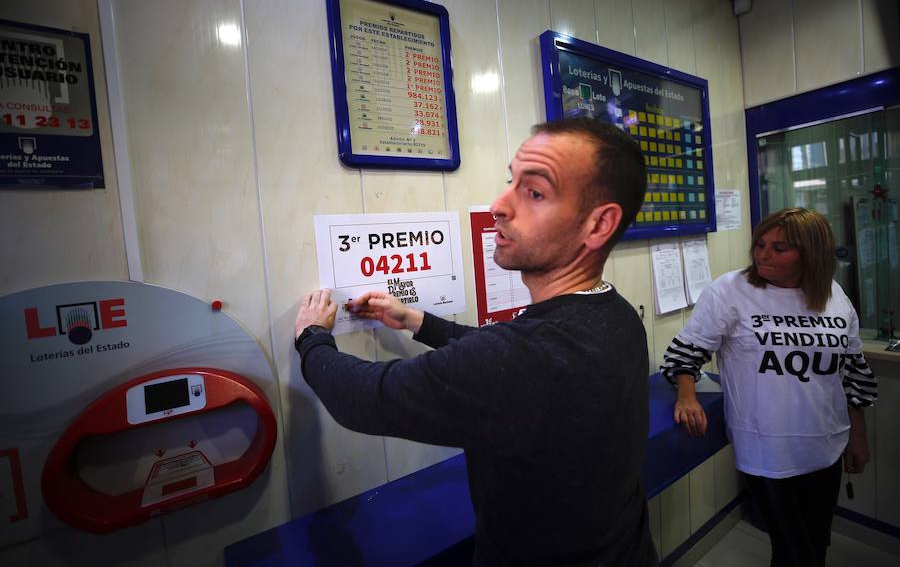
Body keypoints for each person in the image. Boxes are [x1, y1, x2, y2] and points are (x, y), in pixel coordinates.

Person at [294, 117, 658, 566]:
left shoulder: (528, 357)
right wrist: (417, 321)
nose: (499, 205)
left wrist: (311, 338)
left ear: (599, 225)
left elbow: (364, 398)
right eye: (512, 182)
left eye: (535, 192)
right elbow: (506, 353)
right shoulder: (613, 315)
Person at [660, 207, 878, 567]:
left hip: (826, 445)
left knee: (815, 544)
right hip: (766, 449)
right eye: (760, 244)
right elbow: (685, 353)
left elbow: (851, 374)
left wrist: (858, 437)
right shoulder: (730, 290)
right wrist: (687, 396)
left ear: (811, 253)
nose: (763, 254)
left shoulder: (834, 296)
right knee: (793, 550)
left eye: (780, 248)